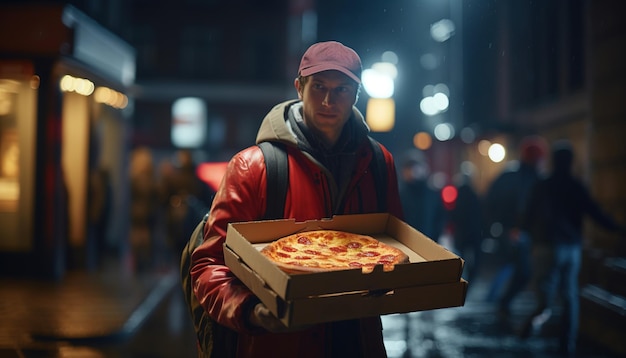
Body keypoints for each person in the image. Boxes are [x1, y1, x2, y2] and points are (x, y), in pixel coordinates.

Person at [189, 41, 403, 357]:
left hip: (357, 341)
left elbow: (394, 245)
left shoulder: (379, 163)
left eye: (342, 89)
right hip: (277, 343)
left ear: (357, 94)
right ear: (299, 87)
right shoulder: (252, 167)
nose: (329, 100)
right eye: (319, 86)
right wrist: (251, 311)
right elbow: (209, 264)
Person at [519, 140, 625, 356]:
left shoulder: (542, 184)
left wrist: (528, 235)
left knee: (544, 296)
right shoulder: (576, 186)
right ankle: (567, 344)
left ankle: (529, 326)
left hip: (547, 247)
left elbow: (527, 215)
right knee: (570, 296)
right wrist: (617, 228)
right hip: (571, 248)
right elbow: (594, 212)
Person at [483, 135, 548, 315]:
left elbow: (491, 202)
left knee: (513, 266)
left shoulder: (510, 176)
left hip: (511, 230)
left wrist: (495, 226)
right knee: (521, 269)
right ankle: (500, 302)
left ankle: (498, 300)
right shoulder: (533, 179)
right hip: (517, 231)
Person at [399, 149, 446, 242]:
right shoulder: (400, 194)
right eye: (409, 168)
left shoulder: (431, 194)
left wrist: (434, 240)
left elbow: (439, 219)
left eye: (416, 167)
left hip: (428, 244)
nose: (413, 171)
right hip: (407, 244)